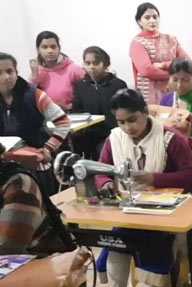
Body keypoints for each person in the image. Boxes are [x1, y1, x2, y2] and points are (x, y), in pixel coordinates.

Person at [96, 88, 192, 287]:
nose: (127, 127)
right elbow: (102, 171)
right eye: (121, 122)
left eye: (132, 120)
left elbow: (190, 176)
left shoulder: (171, 139)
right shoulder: (115, 139)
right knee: (115, 245)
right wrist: (105, 184)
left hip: (167, 216)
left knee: (148, 245)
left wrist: (153, 178)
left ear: (145, 112)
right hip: (131, 212)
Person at [0, 52, 70, 196]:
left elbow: (63, 122)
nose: (6, 77)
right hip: (5, 166)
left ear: (16, 72)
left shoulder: (35, 95)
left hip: (36, 166)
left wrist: (48, 149)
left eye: (10, 71)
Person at [71, 46, 127, 160]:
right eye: (88, 63)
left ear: (105, 64)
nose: (91, 67)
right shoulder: (80, 85)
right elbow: (77, 112)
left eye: (96, 63)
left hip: (111, 134)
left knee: (103, 154)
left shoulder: (118, 85)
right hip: (88, 134)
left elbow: (124, 112)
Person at [130, 2, 189, 104]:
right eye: (147, 18)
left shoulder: (171, 39)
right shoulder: (137, 43)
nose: (152, 20)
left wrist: (164, 65)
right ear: (139, 21)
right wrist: (174, 75)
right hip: (150, 96)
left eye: (155, 17)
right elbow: (147, 70)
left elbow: (186, 62)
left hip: (174, 91)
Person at [29, 31, 85, 111]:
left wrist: (69, 107)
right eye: (45, 47)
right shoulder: (37, 71)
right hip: (46, 116)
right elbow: (29, 97)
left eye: (53, 47)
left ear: (59, 48)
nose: (50, 51)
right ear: (38, 49)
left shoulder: (73, 69)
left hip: (72, 114)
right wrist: (34, 75)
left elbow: (88, 92)